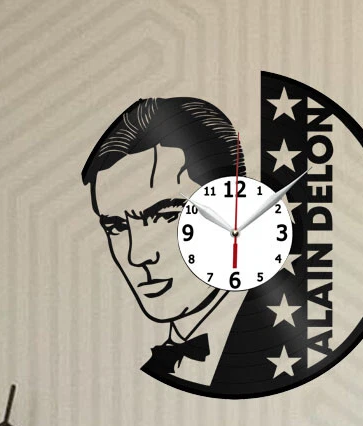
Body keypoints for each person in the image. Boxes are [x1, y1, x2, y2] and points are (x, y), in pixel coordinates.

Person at [82, 97, 289, 393]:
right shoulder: (147, 369)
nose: (137, 256)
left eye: (166, 215)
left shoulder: (280, 339)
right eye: (116, 226)